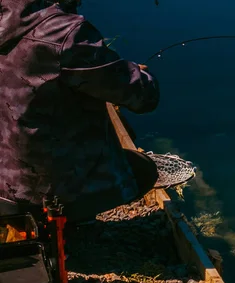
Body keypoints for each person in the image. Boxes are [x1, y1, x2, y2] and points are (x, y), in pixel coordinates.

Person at [0, 0, 160, 222]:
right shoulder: (64, 33)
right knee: (143, 170)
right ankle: (63, 222)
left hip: (3, 183)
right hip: (37, 192)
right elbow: (143, 97)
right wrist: (135, 73)